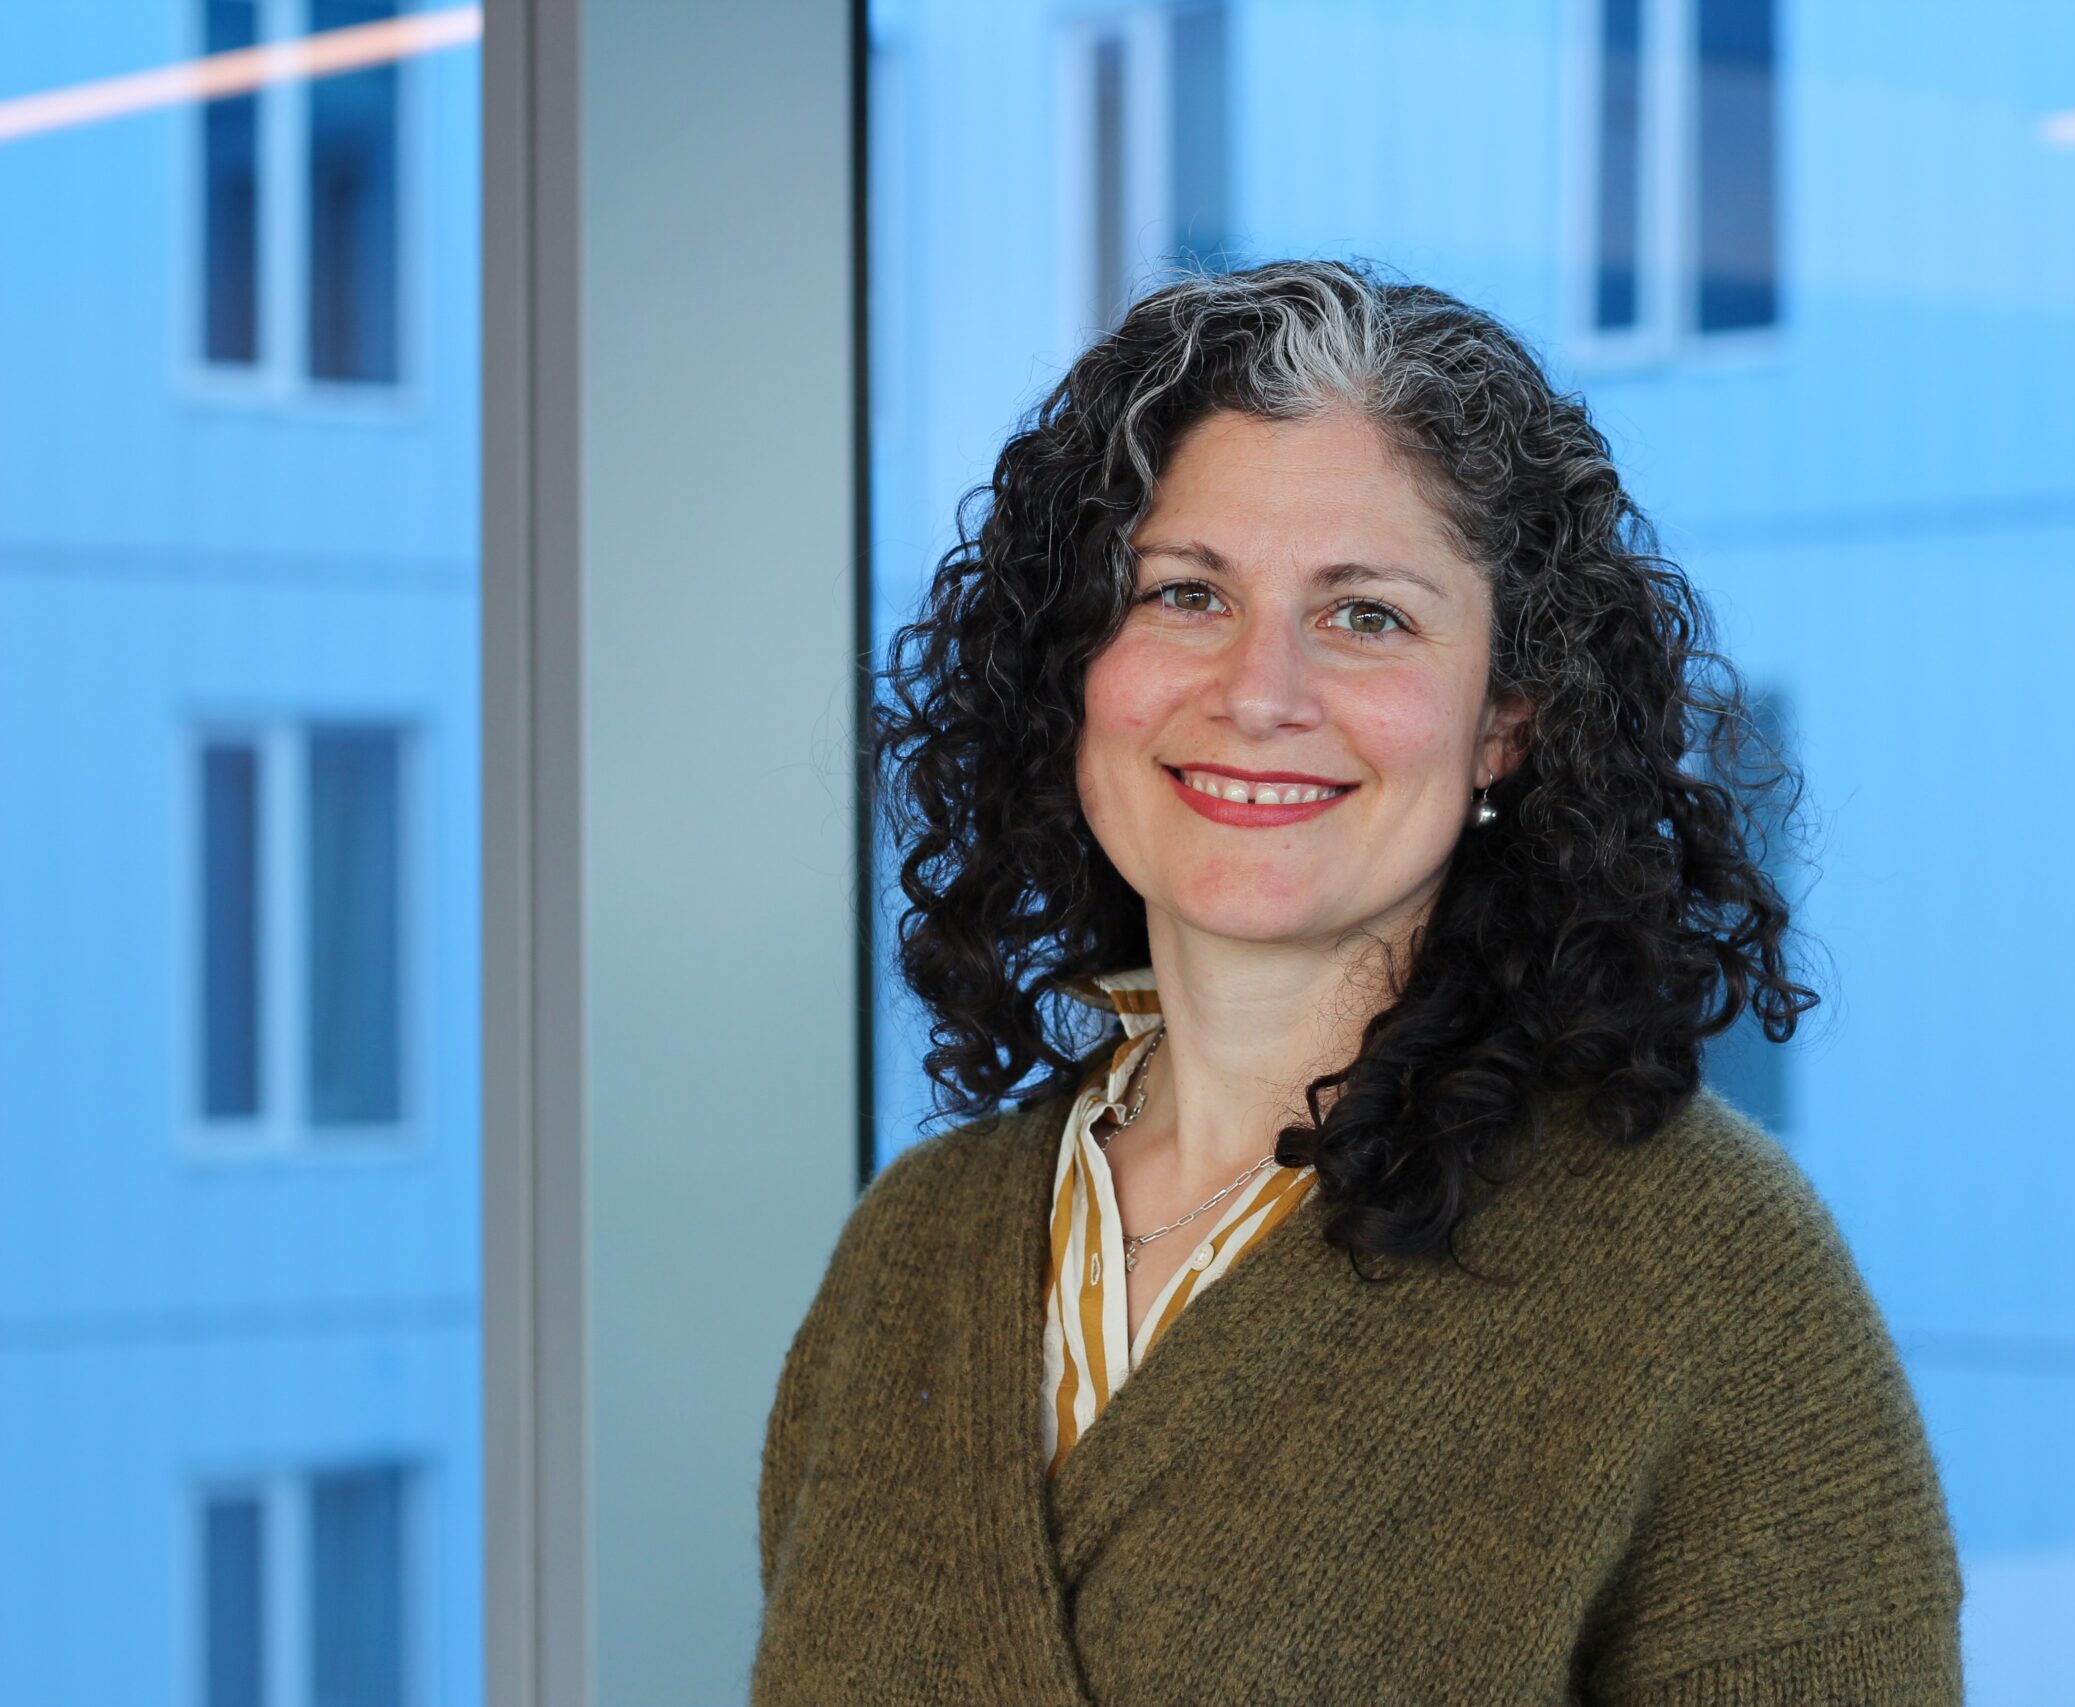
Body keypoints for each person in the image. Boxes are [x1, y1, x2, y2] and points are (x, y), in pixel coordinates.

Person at [749, 258, 1963, 1704]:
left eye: (1366, 616)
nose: (1259, 693)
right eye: (1184, 594)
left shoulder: (1703, 1269)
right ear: (1071, 675)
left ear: (1509, 718)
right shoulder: (912, 1253)